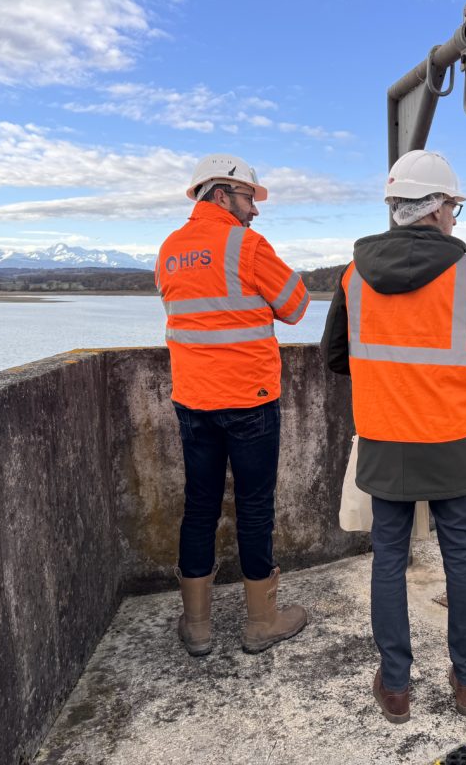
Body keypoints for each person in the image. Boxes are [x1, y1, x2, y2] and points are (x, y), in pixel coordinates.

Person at [321, 149, 466, 723]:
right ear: (434, 209)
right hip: (451, 435)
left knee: (387, 559)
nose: (454, 216)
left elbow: (334, 355)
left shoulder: (355, 276)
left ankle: (397, 686)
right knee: (460, 556)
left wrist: (388, 379)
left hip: (384, 436)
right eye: (453, 205)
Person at [157, 153, 310, 657]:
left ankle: (197, 626)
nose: (255, 210)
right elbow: (295, 305)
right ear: (220, 194)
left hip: (194, 400)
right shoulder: (246, 246)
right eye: (249, 198)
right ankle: (260, 622)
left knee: (199, 507)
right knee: (254, 507)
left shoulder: (169, 250)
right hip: (249, 398)